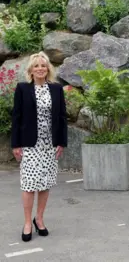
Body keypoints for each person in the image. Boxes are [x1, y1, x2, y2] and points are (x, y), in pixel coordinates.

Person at [11, 52, 67, 242]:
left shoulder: (57, 89)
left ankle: (39, 219)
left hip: (49, 145)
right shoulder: (22, 89)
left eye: (43, 65)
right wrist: (15, 144)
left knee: (45, 183)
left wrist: (62, 142)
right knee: (28, 185)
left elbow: (61, 118)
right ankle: (27, 222)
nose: (40, 69)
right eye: (36, 66)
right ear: (31, 70)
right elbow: (16, 118)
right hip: (29, 145)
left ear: (48, 68)